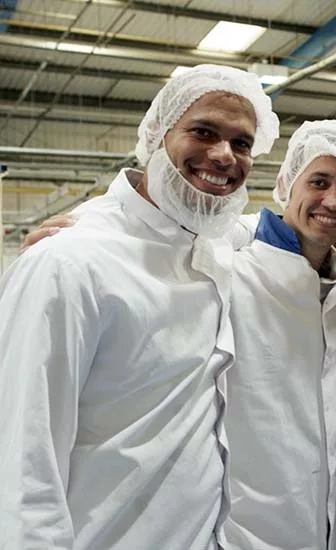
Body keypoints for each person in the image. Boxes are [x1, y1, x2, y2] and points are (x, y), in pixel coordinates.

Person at [0, 65, 280, 548]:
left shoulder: (211, 242)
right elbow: (22, 463)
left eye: (242, 143)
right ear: (155, 135)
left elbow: (288, 233)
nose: (223, 155)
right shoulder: (69, 262)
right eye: (203, 131)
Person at [222, 120, 336, 549]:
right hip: (252, 530)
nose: (332, 200)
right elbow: (162, 223)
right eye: (319, 181)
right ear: (286, 184)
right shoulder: (232, 271)